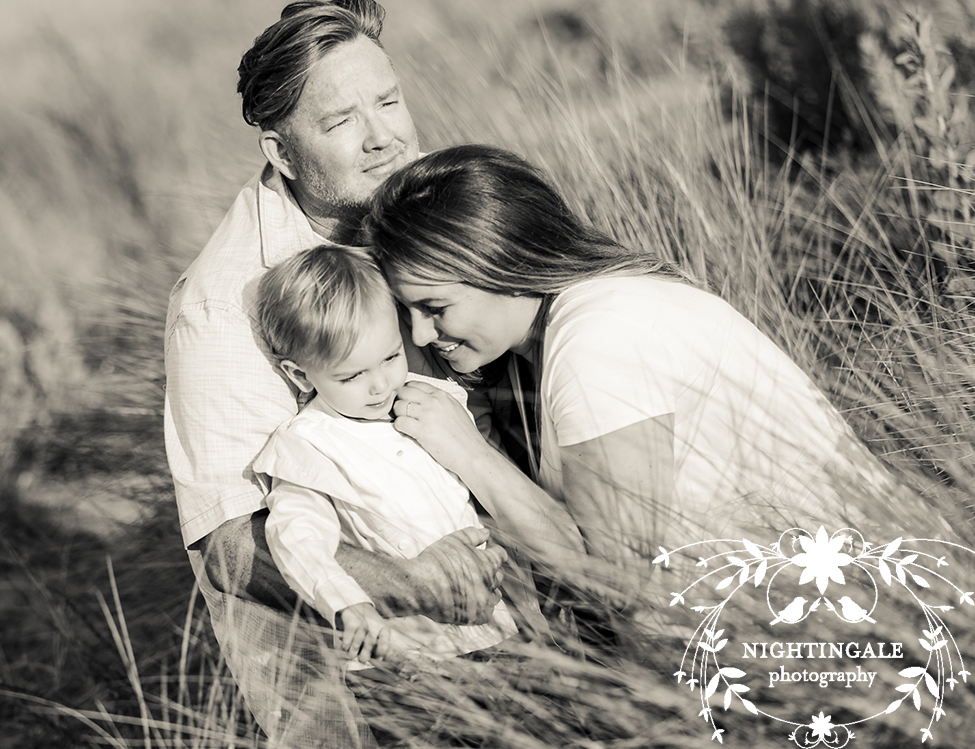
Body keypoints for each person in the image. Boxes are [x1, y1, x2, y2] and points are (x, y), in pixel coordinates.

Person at [163, 0, 508, 748]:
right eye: (342, 121)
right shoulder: (223, 306)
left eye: (388, 101)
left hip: (504, 621)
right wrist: (410, 584)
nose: (384, 137)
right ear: (282, 153)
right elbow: (231, 548)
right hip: (364, 684)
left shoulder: (422, 216)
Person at [363, 143, 901, 604]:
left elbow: (622, 582)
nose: (422, 335)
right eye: (409, 313)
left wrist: (470, 454)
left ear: (503, 262)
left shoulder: (598, 338)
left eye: (435, 307)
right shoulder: (592, 315)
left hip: (854, 611)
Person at [253, 245, 518, 666]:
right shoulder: (309, 444)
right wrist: (347, 604)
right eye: (351, 376)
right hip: (407, 655)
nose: (379, 385)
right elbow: (297, 535)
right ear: (300, 375)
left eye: (391, 357)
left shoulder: (431, 402)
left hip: (494, 627)